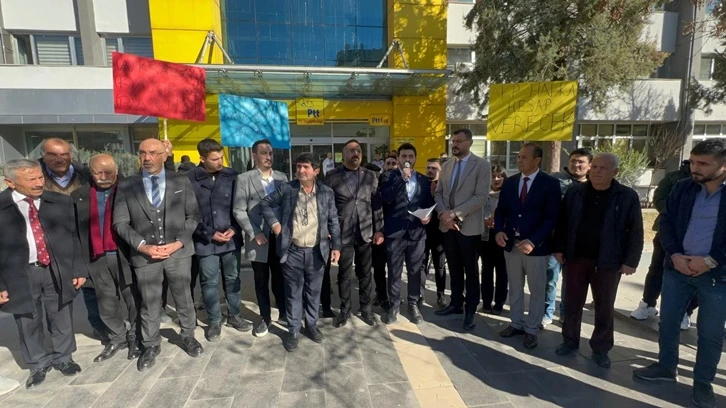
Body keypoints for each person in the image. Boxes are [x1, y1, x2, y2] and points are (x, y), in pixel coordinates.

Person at [634, 139, 726, 408]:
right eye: (693, 162)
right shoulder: (684, 187)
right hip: (677, 269)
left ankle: (703, 383)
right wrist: (674, 255)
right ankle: (666, 367)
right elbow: (667, 222)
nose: (695, 168)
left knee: (710, 333)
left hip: (717, 276)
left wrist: (710, 261)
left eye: (703, 164)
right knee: (669, 323)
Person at [113, 138, 204, 372]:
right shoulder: (127, 185)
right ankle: (151, 344)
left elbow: (193, 216)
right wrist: (142, 246)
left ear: (165, 155)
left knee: (184, 298)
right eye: (142, 153)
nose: (147, 158)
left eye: (153, 153)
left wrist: (178, 243)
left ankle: (188, 336)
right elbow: (120, 223)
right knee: (149, 301)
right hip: (146, 255)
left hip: (178, 253)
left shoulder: (180, 181)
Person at [0, 159, 87, 389]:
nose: (39, 183)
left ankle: (64, 357)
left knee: (61, 313)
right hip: (19, 273)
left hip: (55, 268)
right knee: (27, 319)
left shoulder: (60, 201)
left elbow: (74, 236)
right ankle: (37, 363)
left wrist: (78, 268)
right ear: (10, 182)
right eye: (31, 179)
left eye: (40, 177)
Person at [553, 153, 644, 368]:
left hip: (608, 262)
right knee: (572, 303)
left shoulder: (626, 196)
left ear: (615, 172)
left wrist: (631, 261)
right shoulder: (576, 192)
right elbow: (562, 222)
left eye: (603, 168)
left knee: (604, 306)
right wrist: (558, 249)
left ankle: (601, 348)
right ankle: (569, 341)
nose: (596, 171)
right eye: (594, 167)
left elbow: (636, 231)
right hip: (576, 258)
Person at [259, 153, 341, 352]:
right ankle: (293, 330)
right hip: (292, 251)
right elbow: (265, 203)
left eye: (305, 167)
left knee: (313, 293)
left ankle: (311, 326)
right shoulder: (287, 189)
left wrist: (337, 246)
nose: (301, 170)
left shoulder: (326, 192)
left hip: (316, 252)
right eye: (298, 166)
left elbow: (333, 220)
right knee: (293, 294)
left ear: (316, 171)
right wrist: (275, 224)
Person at [71, 154, 142, 363]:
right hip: (96, 256)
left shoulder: (132, 190)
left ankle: (135, 337)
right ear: (90, 172)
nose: (103, 177)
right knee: (106, 301)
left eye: (108, 172)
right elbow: (74, 233)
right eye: (97, 172)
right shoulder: (78, 196)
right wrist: (78, 267)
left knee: (133, 298)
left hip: (125, 254)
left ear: (117, 170)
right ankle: (117, 337)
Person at [37, 138, 105, 340]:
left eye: (64, 154)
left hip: (85, 238)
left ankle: (99, 325)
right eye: (52, 154)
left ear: (71, 155)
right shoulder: (35, 177)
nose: (59, 159)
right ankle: (60, 338)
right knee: (55, 292)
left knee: (91, 287)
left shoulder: (86, 175)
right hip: (52, 242)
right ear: (43, 156)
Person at [494, 143, 560, 350]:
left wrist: (533, 241)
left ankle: (531, 329)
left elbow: (551, 218)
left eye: (524, 157)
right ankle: (516, 322)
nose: (519, 160)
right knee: (515, 287)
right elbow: (501, 211)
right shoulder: (511, 182)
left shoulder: (550, 183)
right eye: (519, 156)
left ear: (537, 160)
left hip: (536, 247)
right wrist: (499, 230)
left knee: (537, 289)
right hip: (512, 244)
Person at [188, 139, 252, 342]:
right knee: (209, 282)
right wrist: (209, 233)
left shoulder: (232, 175)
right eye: (215, 159)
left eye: (221, 157)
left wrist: (235, 228)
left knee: (233, 279)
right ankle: (214, 321)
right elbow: (188, 213)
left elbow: (240, 206)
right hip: (205, 241)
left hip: (230, 239)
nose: (220, 162)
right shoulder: (189, 179)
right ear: (202, 158)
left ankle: (235, 316)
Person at [434, 128, 491, 331]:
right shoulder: (447, 165)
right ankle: (456, 303)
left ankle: (471, 310)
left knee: (471, 270)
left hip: (469, 227)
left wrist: (455, 214)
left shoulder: (482, 165)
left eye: (459, 141)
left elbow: (480, 197)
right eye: (453, 141)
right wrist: (444, 214)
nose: (454, 144)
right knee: (454, 267)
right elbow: (439, 193)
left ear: (469, 142)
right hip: (447, 226)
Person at [630, 160, 698, 330]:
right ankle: (648, 303)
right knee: (656, 269)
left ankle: (686, 311)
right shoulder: (674, 178)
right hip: (667, 231)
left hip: (696, 236)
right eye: (695, 161)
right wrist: (677, 215)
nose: (698, 166)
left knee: (694, 275)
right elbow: (659, 198)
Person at [322, 139, 383, 327]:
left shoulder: (370, 175)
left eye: (358, 150)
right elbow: (326, 206)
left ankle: (366, 309)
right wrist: (329, 230)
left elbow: (376, 203)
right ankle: (345, 310)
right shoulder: (332, 176)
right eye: (351, 151)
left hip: (365, 231)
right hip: (343, 233)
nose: (355, 153)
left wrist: (379, 230)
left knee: (365, 273)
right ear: (344, 154)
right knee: (344, 274)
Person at [234, 138, 289, 337]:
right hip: (259, 238)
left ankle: (284, 313)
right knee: (261, 280)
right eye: (264, 153)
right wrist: (254, 232)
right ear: (254, 155)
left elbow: (288, 206)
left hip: (280, 236)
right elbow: (239, 210)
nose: (268, 157)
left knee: (281, 277)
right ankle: (265, 318)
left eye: (270, 153)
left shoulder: (282, 177)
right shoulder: (244, 179)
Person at [378, 143, 434, 324]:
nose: (407, 160)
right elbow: (386, 199)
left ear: (415, 158)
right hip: (395, 233)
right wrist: (401, 179)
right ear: (399, 159)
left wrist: (428, 216)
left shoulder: (423, 180)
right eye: (404, 156)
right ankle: (394, 305)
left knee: (415, 271)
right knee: (394, 271)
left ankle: (413, 304)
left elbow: (428, 203)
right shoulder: (388, 176)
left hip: (416, 233)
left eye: (410, 156)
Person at [546, 148, 592, 326]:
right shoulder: (553, 180)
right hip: (554, 239)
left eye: (581, 162)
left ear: (589, 165)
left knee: (572, 282)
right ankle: (547, 312)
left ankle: (565, 314)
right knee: (550, 279)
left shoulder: (594, 184)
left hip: (578, 243)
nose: (576, 165)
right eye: (573, 161)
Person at [480, 165, 508, 315]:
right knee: (486, 270)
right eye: (493, 176)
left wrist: (500, 223)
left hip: (502, 236)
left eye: (499, 176)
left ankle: (499, 304)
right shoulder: (483, 194)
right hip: (485, 236)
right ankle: (486, 303)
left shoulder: (508, 194)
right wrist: (483, 221)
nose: (496, 179)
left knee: (502, 271)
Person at [372, 154, 400, 306]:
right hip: (379, 230)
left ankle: (394, 296)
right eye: (388, 163)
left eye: (393, 163)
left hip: (395, 231)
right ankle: (381, 294)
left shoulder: (402, 183)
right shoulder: (377, 182)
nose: (390, 166)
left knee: (394, 267)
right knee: (379, 266)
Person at [421, 158, 448, 308]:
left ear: (441, 171)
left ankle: (441, 294)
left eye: (434, 168)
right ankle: (420, 294)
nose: (430, 171)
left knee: (440, 265)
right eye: (428, 168)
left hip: (439, 233)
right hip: (423, 232)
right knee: (422, 265)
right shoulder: (421, 185)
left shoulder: (445, 186)